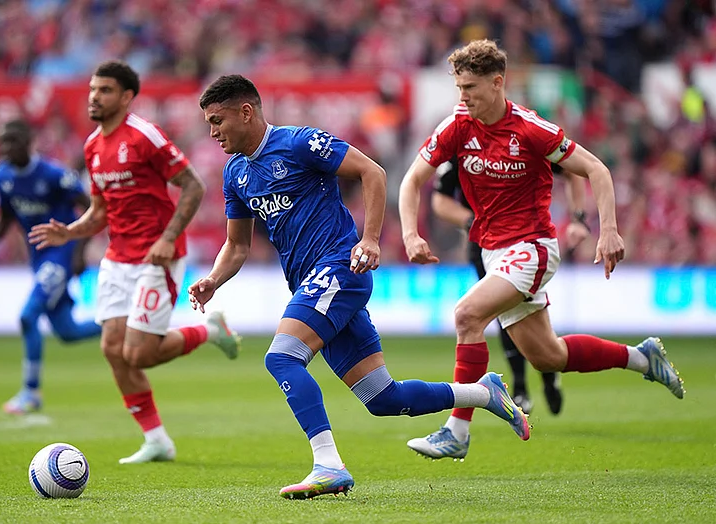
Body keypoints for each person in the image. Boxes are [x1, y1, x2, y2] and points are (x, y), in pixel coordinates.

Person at [190, 74, 530, 500]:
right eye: (208, 123)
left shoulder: (297, 143)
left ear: (246, 111)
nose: (213, 132)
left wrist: (369, 239)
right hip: (311, 283)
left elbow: (372, 172)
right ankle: (484, 393)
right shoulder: (235, 173)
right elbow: (236, 245)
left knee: (282, 358)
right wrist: (213, 280)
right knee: (382, 397)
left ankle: (328, 464)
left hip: (338, 267)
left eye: (217, 120)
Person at [398, 39, 685, 461]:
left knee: (466, 315)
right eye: (459, 88)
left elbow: (596, 170)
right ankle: (642, 358)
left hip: (532, 248)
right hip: (495, 252)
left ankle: (457, 430)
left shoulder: (531, 129)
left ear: (498, 83)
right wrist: (409, 234)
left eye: (471, 87)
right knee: (548, 356)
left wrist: (608, 231)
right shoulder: (457, 125)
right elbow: (411, 180)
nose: (463, 97)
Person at [28, 60, 241, 464]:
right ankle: (157, 440)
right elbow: (99, 211)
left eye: (105, 90)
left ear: (126, 97)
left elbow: (192, 185)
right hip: (117, 258)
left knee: (139, 354)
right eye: (92, 89)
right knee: (113, 349)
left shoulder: (144, 136)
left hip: (156, 258)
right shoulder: (92, 147)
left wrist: (167, 238)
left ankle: (209, 331)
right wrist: (70, 232)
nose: (95, 96)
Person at [431, 159, 591, 415]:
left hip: (523, 241)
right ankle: (520, 385)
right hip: (483, 244)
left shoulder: (520, 138)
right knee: (498, 312)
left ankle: (547, 372)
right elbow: (440, 199)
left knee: (528, 312)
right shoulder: (458, 147)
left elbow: (574, 169)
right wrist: (470, 219)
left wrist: (578, 217)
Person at [0, 119, 102, 414]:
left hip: (61, 253)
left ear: (29, 141)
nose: (6, 148)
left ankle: (30, 392)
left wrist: (80, 251)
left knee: (28, 316)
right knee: (67, 332)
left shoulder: (55, 175)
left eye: (13, 141)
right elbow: (5, 215)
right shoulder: (2, 175)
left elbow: (93, 209)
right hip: (38, 258)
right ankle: (122, 321)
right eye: (2, 142)